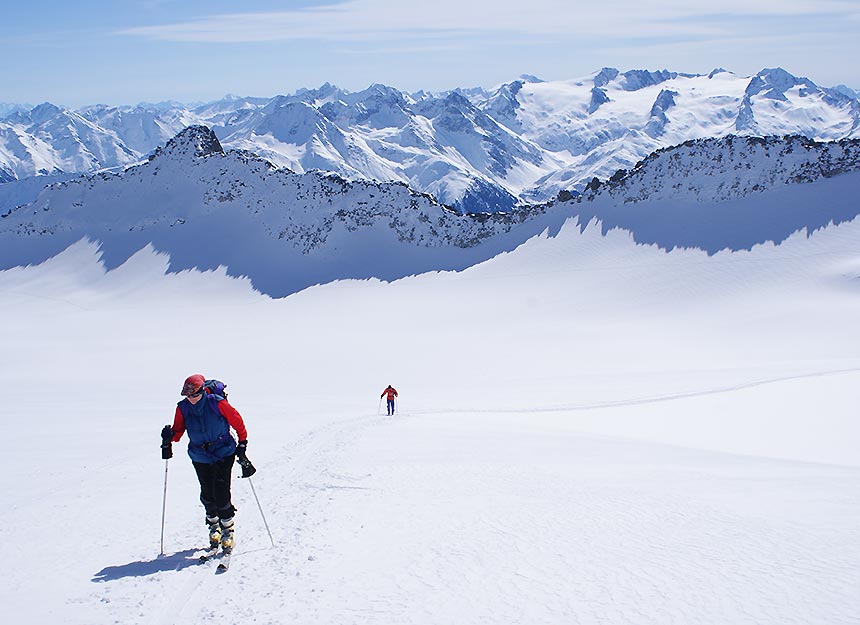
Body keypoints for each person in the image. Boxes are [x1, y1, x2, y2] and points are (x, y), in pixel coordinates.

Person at [160, 374, 249, 554]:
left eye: (194, 394)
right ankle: (214, 526)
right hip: (199, 455)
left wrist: (242, 442)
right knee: (207, 494)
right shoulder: (183, 408)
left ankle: (227, 529)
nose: (191, 399)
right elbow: (178, 431)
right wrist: (169, 437)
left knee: (222, 493)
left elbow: (236, 420)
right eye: (187, 395)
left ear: (202, 391)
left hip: (224, 451)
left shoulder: (216, 402)